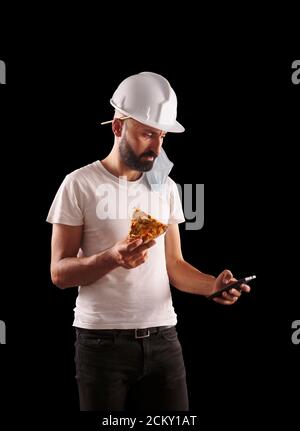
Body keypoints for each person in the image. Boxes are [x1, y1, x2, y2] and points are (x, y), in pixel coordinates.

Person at [46, 71, 250, 411]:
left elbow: (175, 266)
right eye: (146, 134)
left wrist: (212, 285)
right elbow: (59, 273)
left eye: (162, 136)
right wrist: (112, 257)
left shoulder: (165, 187)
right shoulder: (77, 184)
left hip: (164, 341)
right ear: (117, 127)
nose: (156, 146)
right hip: (101, 344)